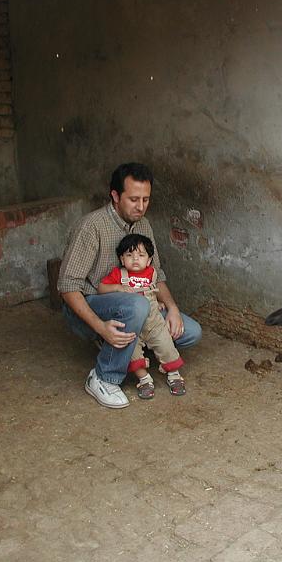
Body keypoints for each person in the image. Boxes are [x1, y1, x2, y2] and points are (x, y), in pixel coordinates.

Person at [57, 162, 202, 409]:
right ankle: (103, 376)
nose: (141, 206)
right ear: (115, 196)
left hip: (140, 303)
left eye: (146, 199)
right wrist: (101, 327)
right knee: (136, 305)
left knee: (190, 332)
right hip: (92, 306)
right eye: (134, 199)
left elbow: (157, 274)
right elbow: (67, 286)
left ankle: (133, 343)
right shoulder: (91, 226)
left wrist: (173, 308)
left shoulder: (143, 225)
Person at [98, 233, 185, 400]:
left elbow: (154, 291)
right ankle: (144, 379)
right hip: (132, 325)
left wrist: (158, 303)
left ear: (149, 260)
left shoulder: (151, 273)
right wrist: (117, 288)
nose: (135, 259)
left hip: (153, 323)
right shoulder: (118, 274)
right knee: (131, 350)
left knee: (165, 343)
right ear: (122, 260)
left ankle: (174, 375)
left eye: (141, 255)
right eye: (129, 255)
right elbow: (101, 288)